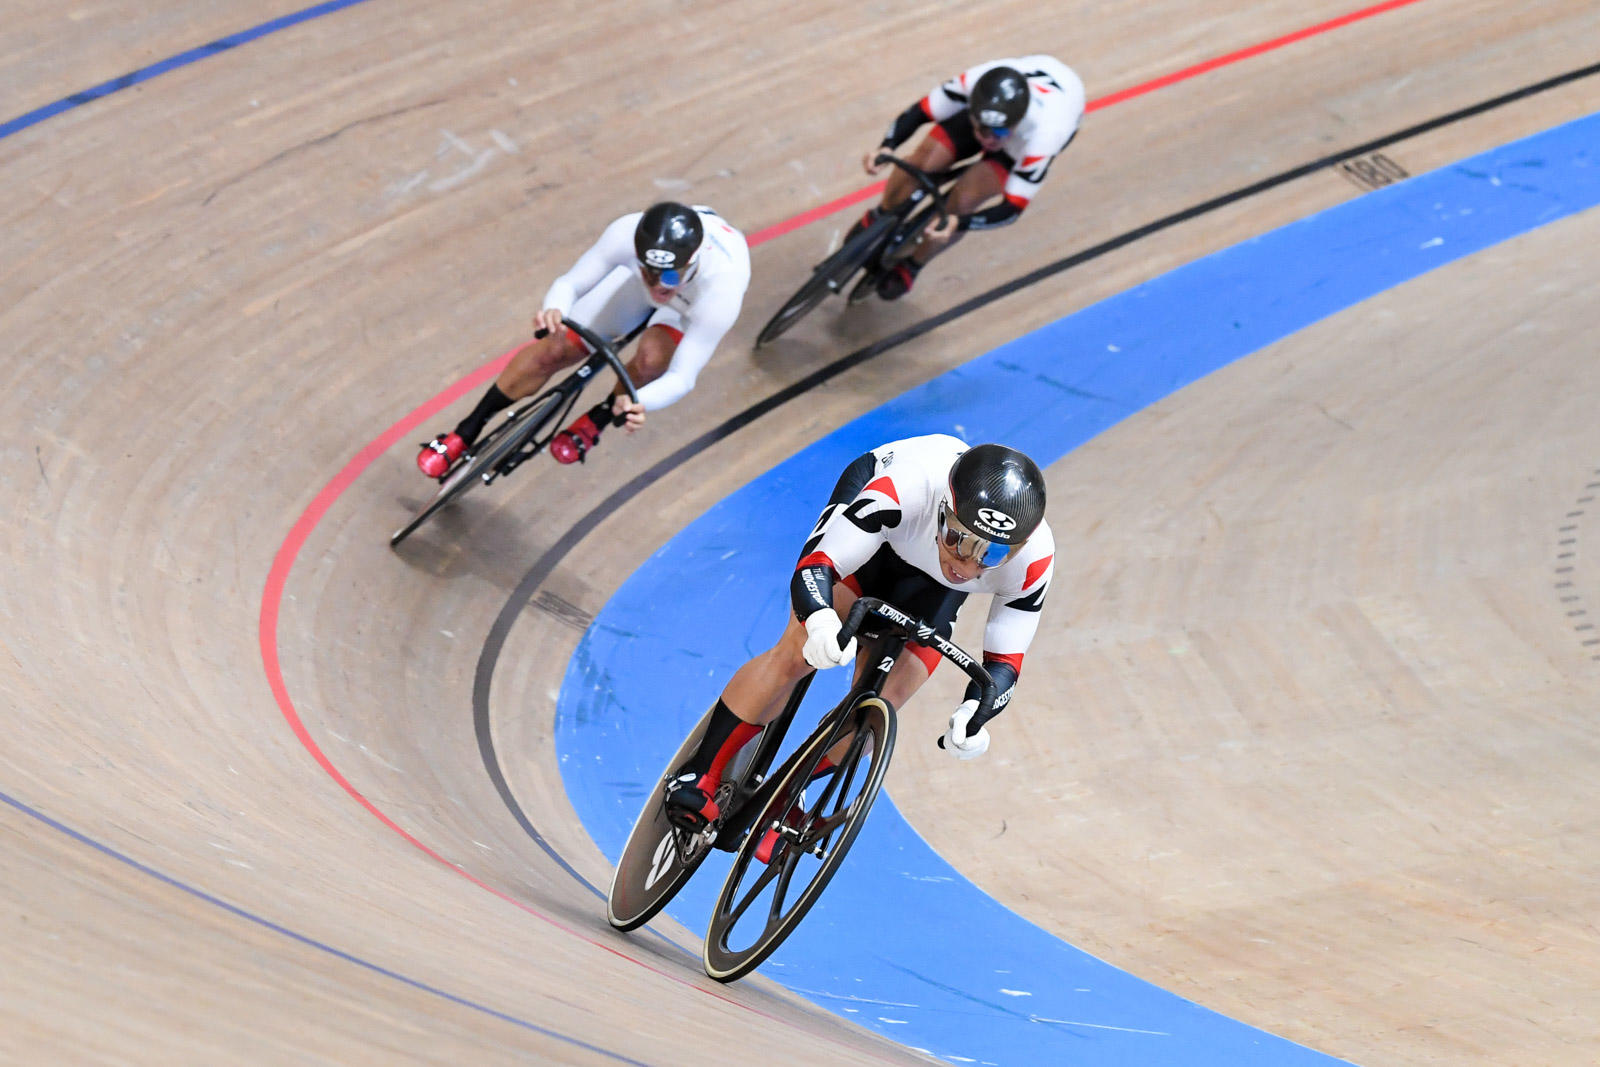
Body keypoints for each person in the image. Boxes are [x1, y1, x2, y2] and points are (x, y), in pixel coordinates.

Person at [663, 434, 1056, 836]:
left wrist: (977, 712)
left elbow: (1005, 663)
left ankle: (785, 794)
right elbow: (818, 565)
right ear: (943, 511)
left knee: (879, 710)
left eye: (990, 555)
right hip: (883, 536)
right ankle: (701, 772)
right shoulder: (906, 489)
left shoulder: (1033, 559)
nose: (967, 564)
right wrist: (817, 622)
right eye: (959, 539)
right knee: (799, 652)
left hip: (934, 591)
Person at [417, 202, 750, 477]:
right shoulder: (625, 232)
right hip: (635, 286)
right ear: (638, 256)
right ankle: (466, 430)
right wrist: (554, 310)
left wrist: (641, 403)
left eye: (670, 275)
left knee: (652, 359)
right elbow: (571, 284)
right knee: (556, 348)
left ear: (691, 262)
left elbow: (682, 376)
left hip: (689, 305)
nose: (660, 286)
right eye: (651, 272)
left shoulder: (721, 290)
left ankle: (600, 417)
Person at [853, 55, 1085, 301]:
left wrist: (960, 223)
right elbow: (920, 112)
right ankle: (879, 215)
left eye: (999, 133)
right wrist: (887, 147)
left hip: (1030, 134)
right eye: (984, 131)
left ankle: (913, 265)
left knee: (963, 202)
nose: (990, 140)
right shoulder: (972, 83)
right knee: (920, 164)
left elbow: (1012, 209)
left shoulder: (1045, 136)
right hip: (1002, 105)